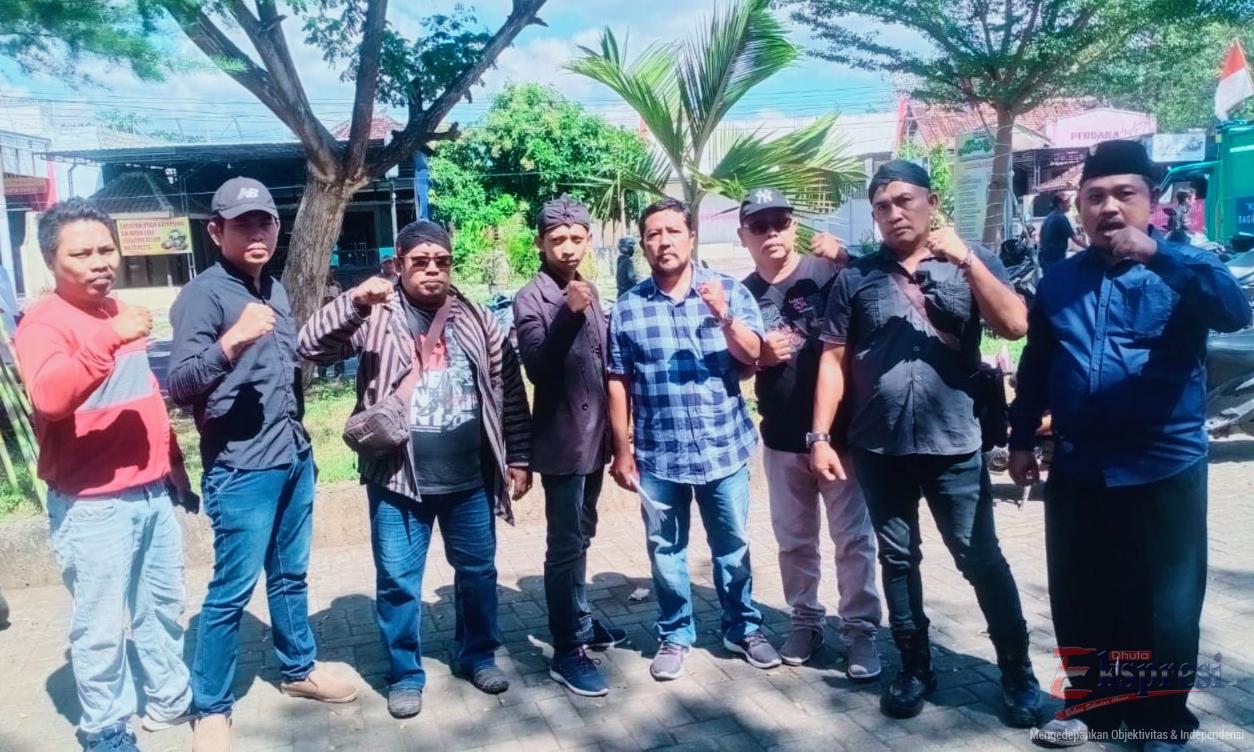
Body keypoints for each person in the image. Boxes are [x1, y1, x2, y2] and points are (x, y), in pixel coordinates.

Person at [1009, 141, 1251, 751]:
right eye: (1095, 196)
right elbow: (1037, 364)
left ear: (1151, 201)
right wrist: (1020, 437)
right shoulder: (1060, 282)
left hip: (1163, 466)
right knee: (1081, 593)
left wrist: (1160, 256)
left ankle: (1160, 718)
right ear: (1079, 206)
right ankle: (1093, 707)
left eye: (1124, 194)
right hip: (1080, 466)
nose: (1109, 208)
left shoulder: (1187, 265)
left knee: (1165, 605)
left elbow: (1233, 313)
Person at [811, 160, 1041, 725]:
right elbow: (833, 361)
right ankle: (915, 666)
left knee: (979, 558)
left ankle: (1017, 672)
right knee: (896, 559)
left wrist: (966, 260)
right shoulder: (857, 277)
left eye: (904, 200)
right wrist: (819, 436)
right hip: (879, 447)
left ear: (931, 203)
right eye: (882, 206)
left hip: (954, 445)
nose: (894, 213)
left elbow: (1016, 325)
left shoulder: (971, 259)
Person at [299, 219, 532, 719]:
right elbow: (310, 346)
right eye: (420, 261)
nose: (432, 270)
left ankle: (478, 655)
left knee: (478, 573)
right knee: (399, 582)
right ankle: (405, 674)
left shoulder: (476, 318)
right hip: (398, 479)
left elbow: (509, 388)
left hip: (470, 479)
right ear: (398, 264)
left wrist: (518, 457)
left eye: (441, 261)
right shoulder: (377, 315)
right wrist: (354, 301)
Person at [169, 178, 357, 752]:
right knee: (231, 591)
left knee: (290, 574)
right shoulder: (203, 296)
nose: (256, 233)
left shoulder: (273, 288)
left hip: (292, 456)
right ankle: (210, 707)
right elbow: (179, 385)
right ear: (216, 231)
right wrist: (231, 342)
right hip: (241, 468)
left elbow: (290, 367)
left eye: (265, 222)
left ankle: (299, 669)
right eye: (242, 223)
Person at [16, 199, 197, 752]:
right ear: (52, 260)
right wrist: (109, 338)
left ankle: (169, 700)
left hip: (151, 493)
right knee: (99, 626)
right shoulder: (43, 323)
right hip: (92, 505)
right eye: (81, 253)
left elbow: (145, 398)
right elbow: (50, 398)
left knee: (162, 607)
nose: (99, 261)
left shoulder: (118, 312)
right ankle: (105, 727)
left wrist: (173, 464)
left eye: (106, 249)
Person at [607, 197, 781, 681]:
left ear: (690, 237)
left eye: (672, 231)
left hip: (723, 448)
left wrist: (723, 315)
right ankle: (675, 633)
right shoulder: (628, 308)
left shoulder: (729, 291)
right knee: (665, 550)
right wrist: (622, 451)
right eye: (653, 234)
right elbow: (618, 380)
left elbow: (755, 356)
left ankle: (743, 628)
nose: (663, 242)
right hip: (658, 455)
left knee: (733, 546)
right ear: (644, 244)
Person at [737, 188, 883, 675]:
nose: (771, 233)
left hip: (841, 436)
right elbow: (734, 366)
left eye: (780, 222)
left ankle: (860, 630)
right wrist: (758, 356)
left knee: (853, 540)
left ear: (793, 225)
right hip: (781, 438)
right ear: (743, 236)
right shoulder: (743, 293)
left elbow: (883, 292)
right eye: (759, 226)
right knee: (794, 540)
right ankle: (805, 620)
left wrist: (848, 257)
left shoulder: (829, 271)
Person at [513, 195, 626, 698]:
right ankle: (566, 648)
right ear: (540, 243)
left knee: (582, 535)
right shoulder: (531, 297)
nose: (568, 248)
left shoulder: (588, 288)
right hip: (562, 443)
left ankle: (579, 617)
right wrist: (568, 314)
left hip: (596, 439)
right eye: (557, 239)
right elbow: (538, 369)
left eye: (577, 238)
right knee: (563, 546)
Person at [1038, 192, 1080, 272]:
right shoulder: (1061, 218)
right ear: (1060, 205)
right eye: (1067, 203)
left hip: (1044, 259)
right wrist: (1088, 247)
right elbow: (1075, 238)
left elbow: (1040, 238)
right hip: (1055, 260)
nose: (1070, 205)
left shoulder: (1048, 217)